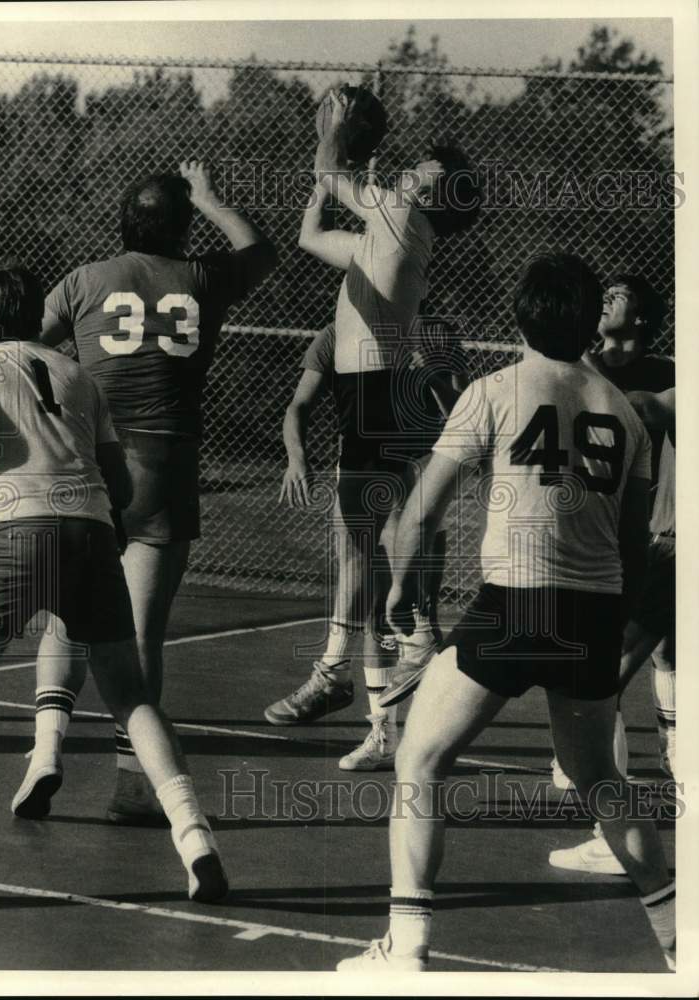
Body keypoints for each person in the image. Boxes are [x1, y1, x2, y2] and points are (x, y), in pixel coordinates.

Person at [337, 253, 675, 971]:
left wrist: (400, 588)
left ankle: (406, 944)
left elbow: (421, 508)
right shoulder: (623, 411)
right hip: (593, 612)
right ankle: (681, 935)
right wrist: (613, 622)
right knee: (601, 780)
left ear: (519, 313)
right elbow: (632, 540)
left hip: (515, 604)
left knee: (420, 761)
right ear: (589, 325)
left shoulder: (492, 390)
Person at [13, 162, 277, 825]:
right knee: (140, 635)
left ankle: (45, 750)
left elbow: (21, 354)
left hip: (94, 463)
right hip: (166, 467)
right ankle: (134, 784)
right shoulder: (201, 279)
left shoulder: (84, 281)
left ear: (123, 222)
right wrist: (213, 197)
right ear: (183, 229)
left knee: (66, 612)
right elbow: (261, 251)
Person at [0, 263, 227, 902]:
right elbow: (122, 484)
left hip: (18, 531)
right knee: (132, 697)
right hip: (92, 534)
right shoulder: (79, 376)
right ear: (34, 315)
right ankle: (195, 838)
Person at [265, 88, 480, 733]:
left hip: (378, 395)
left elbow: (329, 173)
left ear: (436, 194)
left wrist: (337, 125)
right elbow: (309, 232)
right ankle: (389, 660)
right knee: (362, 548)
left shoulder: (404, 217)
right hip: (371, 395)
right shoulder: (382, 235)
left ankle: (344, 672)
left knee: (360, 549)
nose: (413, 167)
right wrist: (338, 163)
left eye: (427, 170)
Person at [273, 320, 459, 769]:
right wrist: (297, 458)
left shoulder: (433, 334)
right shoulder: (337, 335)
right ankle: (378, 726)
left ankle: (423, 719)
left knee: (413, 621)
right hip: (360, 463)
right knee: (374, 599)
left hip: (418, 467)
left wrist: (432, 373)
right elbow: (299, 405)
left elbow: (463, 414)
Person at [550, 274, 674, 790]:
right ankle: (594, 761)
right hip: (594, 530)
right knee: (605, 649)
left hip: (652, 533)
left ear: (642, 317)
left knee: (658, 652)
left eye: (618, 295)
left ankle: (641, 764)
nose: (605, 299)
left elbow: (649, 413)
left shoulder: (667, 376)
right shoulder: (576, 366)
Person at [550, 385, 676, 875]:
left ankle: (613, 840)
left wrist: (575, 395)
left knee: (600, 677)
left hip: (679, 545)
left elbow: (651, 406)